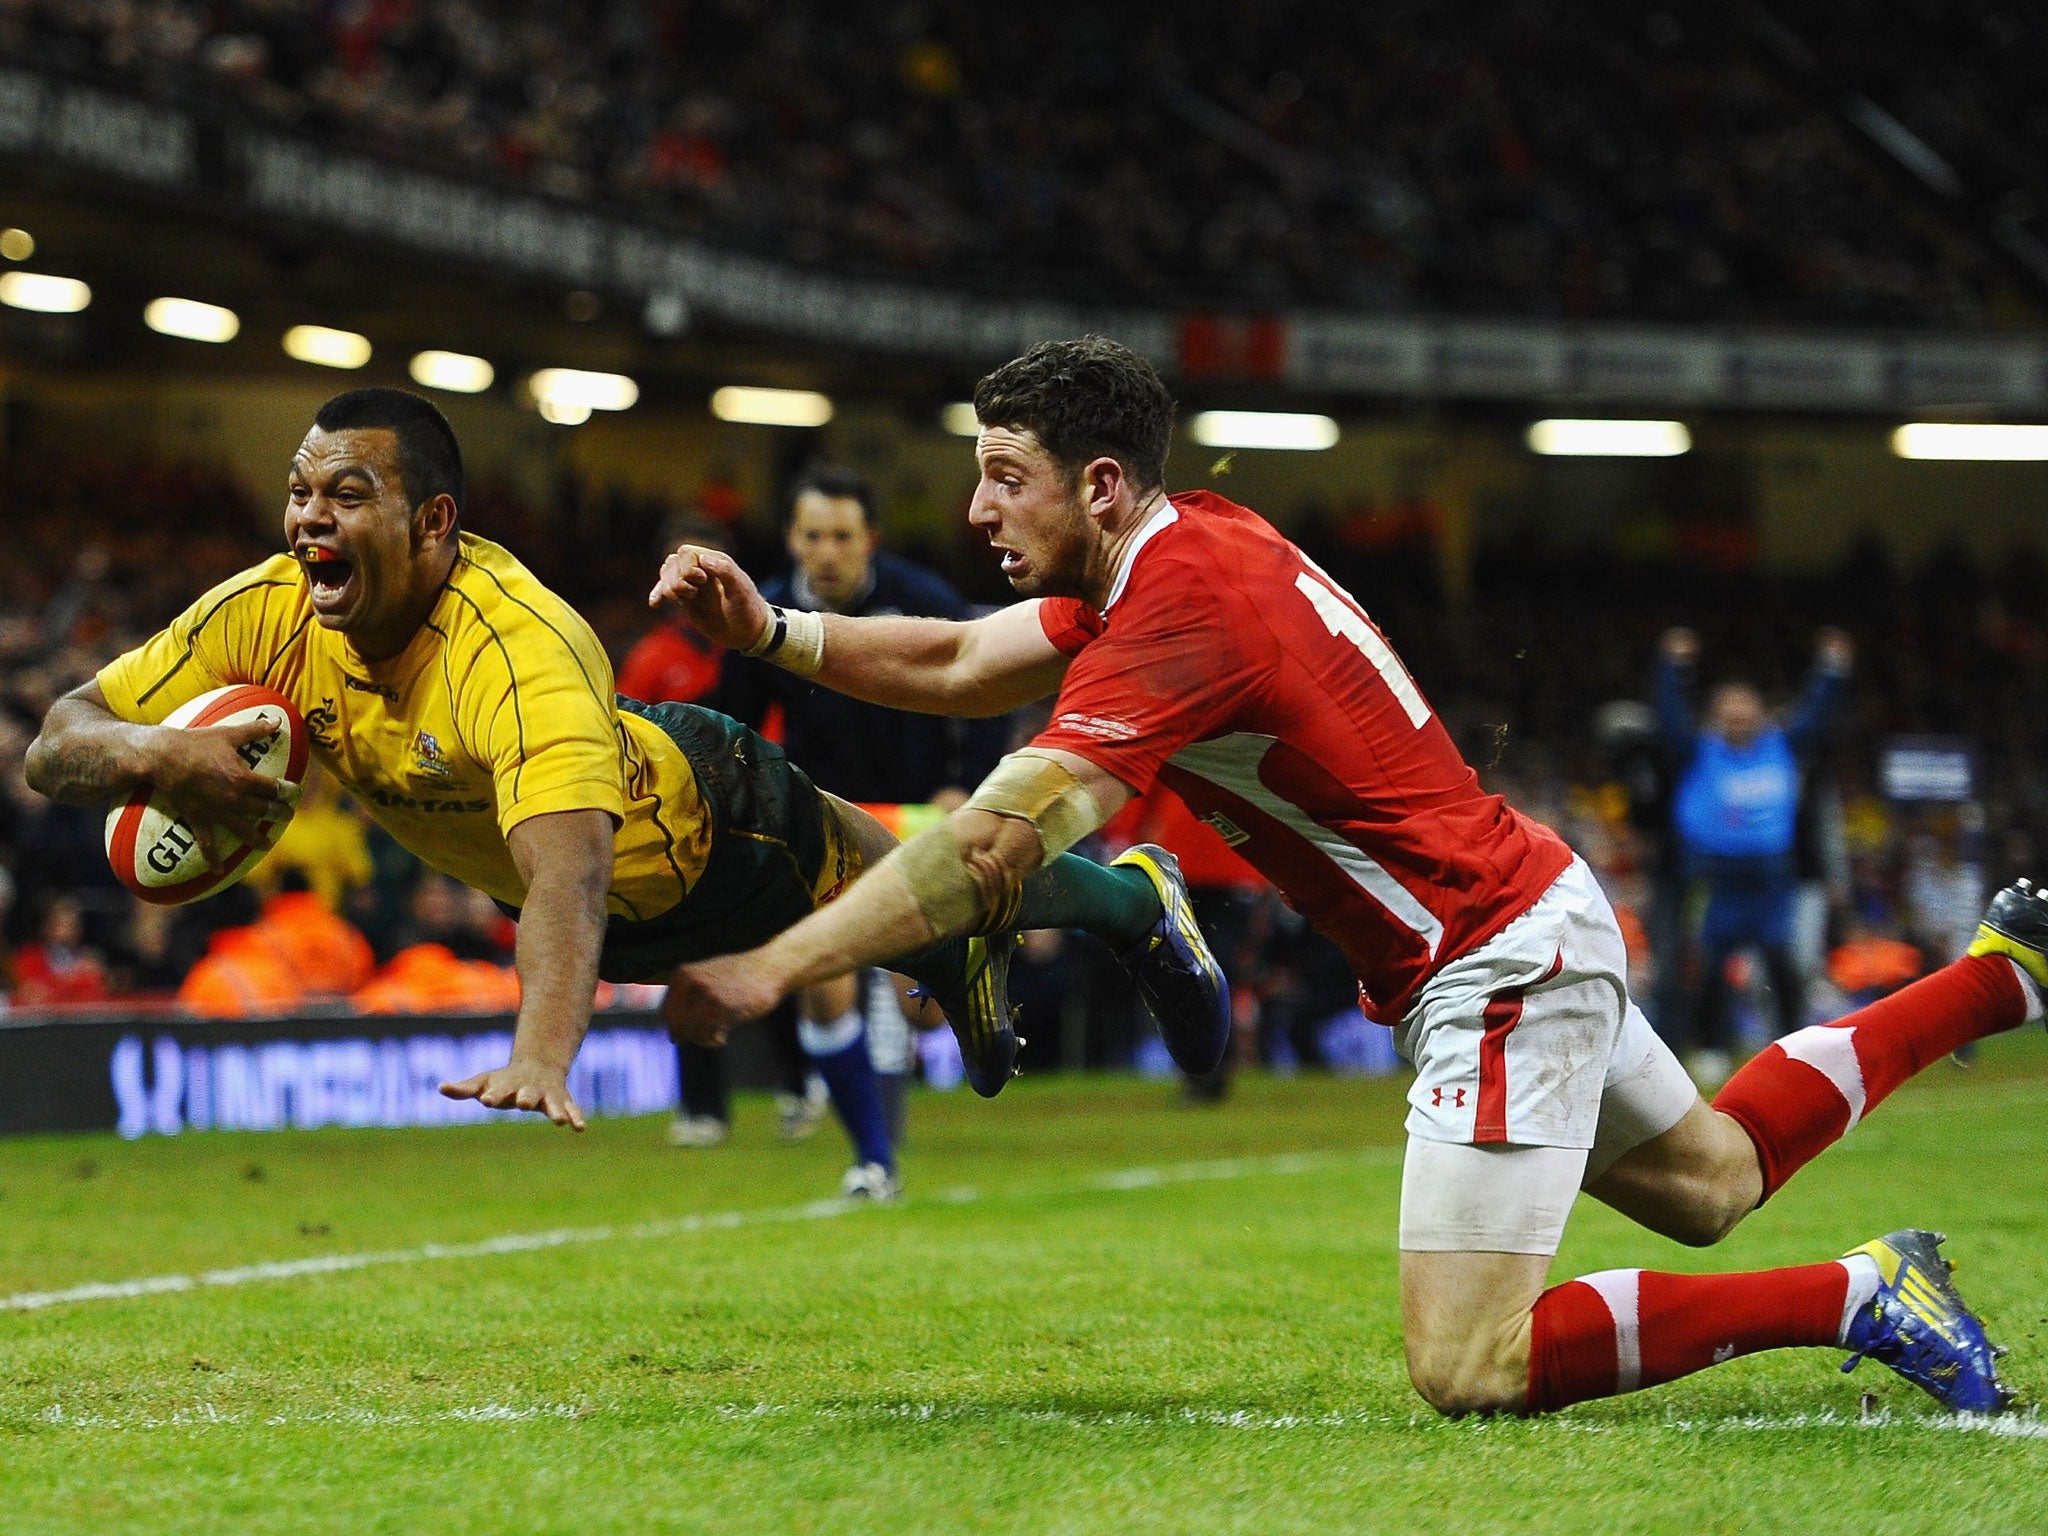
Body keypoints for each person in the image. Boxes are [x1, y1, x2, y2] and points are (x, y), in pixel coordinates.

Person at [651, 336, 2022, 1417]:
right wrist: (773, 628)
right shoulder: (1180, 555)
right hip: (1521, 909)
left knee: (1469, 1363)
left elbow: (1000, 841)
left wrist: (778, 962)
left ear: (1102, 484)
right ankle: (1998, 983)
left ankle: (1859, 1293)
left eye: (1006, 473)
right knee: (1711, 1179)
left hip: (1492, 956)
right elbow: (957, 660)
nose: (975, 507)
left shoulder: (1181, 609)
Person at [23, 388, 1219, 1195]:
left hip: (716, 823)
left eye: (344, 496)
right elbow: (57, 743)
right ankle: (940, 958)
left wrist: (543, 1048)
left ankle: (1132, 905)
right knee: (924, 916)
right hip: (631, 917)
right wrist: (154, 757)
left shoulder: (510, 646)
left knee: (948, 876)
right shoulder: (269, 611)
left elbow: (568, 869)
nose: (306, 521)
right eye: (299, 491)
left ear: (433, 522)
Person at [712, 464, 1007, 1191]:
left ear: (870, 540)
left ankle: (954, 991)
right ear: (792, 539)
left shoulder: (923, 601)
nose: (828, 551)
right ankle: (874, 1159)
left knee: (925, 1012)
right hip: (826, 819)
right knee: (827, 982)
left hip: (918, 819)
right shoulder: (764, 615)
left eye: (843, 536)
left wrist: (961, 784)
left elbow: (995, 688)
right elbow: (733, 725)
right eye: (813, 536)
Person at [1655, 627, 1851, 1079]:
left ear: (1761, 713)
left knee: (1781, 963)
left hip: (1769, 876)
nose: (1738, 716)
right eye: (1729, 710)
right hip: (1713, 875)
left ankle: (1794, 1045)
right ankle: (1710, 1047)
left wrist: (1832, 670)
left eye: (1745, 708)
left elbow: (1817, 716)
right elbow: (1668, 719)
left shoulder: (1781, 745)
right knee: (1707, 965)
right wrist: (1671, 669)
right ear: (1715, 716)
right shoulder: (1698, 751)